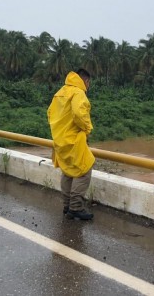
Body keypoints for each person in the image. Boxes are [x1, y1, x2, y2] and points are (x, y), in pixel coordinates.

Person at [47, 68, 95, 221]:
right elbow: (79, 113)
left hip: (60, 140)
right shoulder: (78, 93)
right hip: (74, 139)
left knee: (68, 171)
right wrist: (87, 128)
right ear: (85, 81)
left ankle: (67, 206)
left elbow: (49, 113)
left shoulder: (60, 92)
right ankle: (76, 207)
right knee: (84, 170)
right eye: (89, 83)